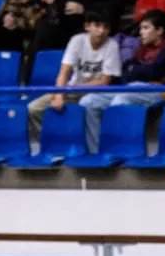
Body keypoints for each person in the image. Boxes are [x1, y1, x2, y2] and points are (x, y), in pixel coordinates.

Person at [28, 9, 121, 150]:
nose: (101, 31)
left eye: (105, 27)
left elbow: (104, 81)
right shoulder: (77, 40)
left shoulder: (112, 46)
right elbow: (64, 72)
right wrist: (59, 95)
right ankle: (53, 143)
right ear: (87, 26)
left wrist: (75, 88)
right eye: (97, 25)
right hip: (72, 89)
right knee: (33, 109)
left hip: (96, 93)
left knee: (87, 104)